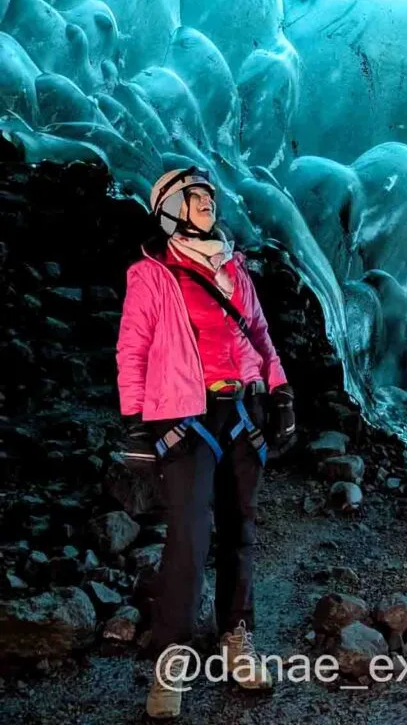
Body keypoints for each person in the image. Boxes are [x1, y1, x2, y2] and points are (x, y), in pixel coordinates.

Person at [115, 166, 296, 718]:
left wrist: (281, 393)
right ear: (170, 207)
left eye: (209, 196)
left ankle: (236, 639)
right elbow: (133, 351)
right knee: (189, 541)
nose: (207, 204)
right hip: (186, 419)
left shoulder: (234, 266)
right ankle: (170, 664)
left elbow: (259, 334)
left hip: (243, 412)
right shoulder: (151, 276)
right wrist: (135, 425)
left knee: (240, 530)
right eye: (195, 197)